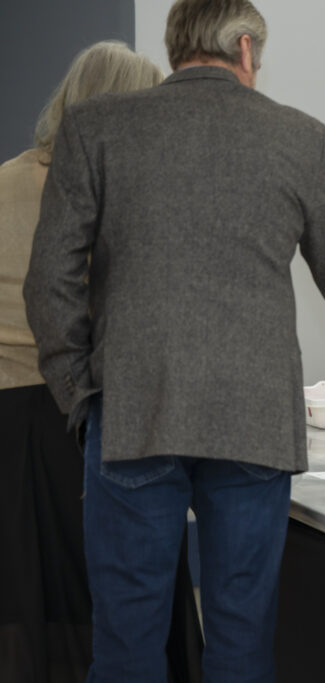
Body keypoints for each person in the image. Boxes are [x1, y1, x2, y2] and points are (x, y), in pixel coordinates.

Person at [22, 1, 325, 680]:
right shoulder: (297, 134)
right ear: (243, 47)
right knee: (241, 642)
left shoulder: (96, 125)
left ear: (176, 45)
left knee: (125, 646)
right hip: (253, 420)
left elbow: (48, 283)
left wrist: (81, 393)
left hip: (134, 413)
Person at [0, 41, 204, 683]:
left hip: (11, 414)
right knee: (127, 591)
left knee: (25, 589)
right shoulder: (133, 192)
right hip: (104, 414)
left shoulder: (5, 181)